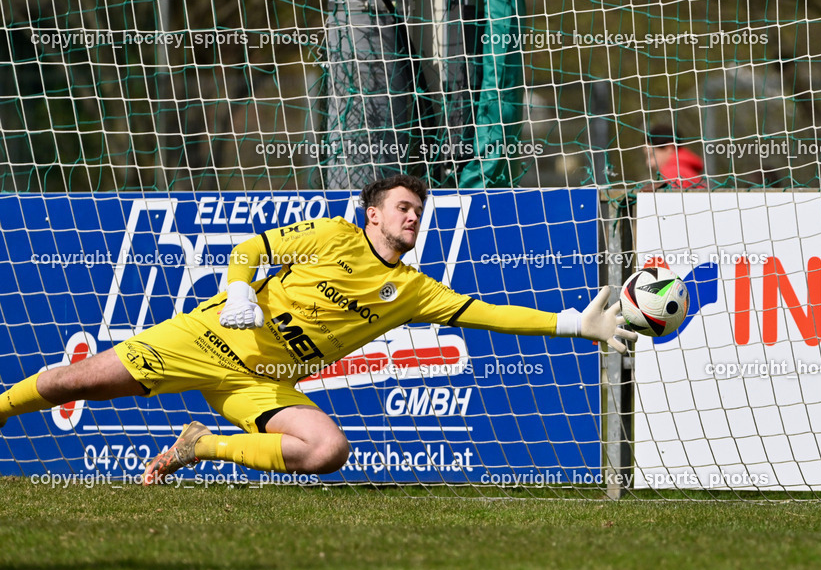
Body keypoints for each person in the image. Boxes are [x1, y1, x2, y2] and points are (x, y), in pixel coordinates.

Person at [0, 174, 636, 483]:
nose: (414, 217)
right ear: (373, 214)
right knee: (67, 383)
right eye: (403, 207)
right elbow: (251, 245)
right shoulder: (334, 235)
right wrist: (239, 290)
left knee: (328, 452)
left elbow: (485, 313)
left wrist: (573, 322)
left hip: (262, 383)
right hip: (205, 340)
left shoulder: (413, 290)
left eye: (420, 210)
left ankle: (203, 446)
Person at [645, 123, 706, 189]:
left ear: (669, 148)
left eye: (651, 155)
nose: (649, 163)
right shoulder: (685, 168)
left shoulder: (673, 172)